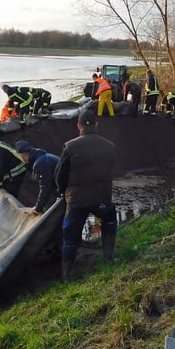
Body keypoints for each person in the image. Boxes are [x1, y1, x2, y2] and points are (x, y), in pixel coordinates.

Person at [55, 109, 117, 280]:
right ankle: (109, 258)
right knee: (110, 221)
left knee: (71, 237)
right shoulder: (109, 146)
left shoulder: (69, 146)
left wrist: (61, 192)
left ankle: (67, 274)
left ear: (79, 126)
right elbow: (112, 168)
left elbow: (60, 174)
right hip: (101, 197)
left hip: (76, 200)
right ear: (96, 125)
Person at [14, 140, 60, 214]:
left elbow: (45, 187)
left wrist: (38, 208)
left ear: (22, 154)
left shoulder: (40, 164)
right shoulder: (43, 157)